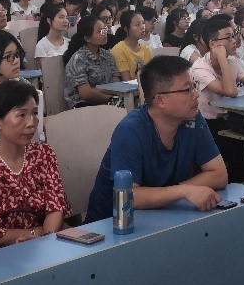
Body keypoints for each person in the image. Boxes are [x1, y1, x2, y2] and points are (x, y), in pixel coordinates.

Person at [85, 56, 227, 222]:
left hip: (164, 215)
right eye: (187, 90)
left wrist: (178, 192)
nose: (196, 94)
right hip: (114, 224)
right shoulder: (130, 131)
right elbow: (129, 196)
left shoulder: (193, 120)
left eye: (194, 86)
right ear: (160, 100)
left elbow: (219, 174)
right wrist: (184, 191)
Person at [0, 81, 70, 249]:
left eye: (34, 113)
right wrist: (36, 233)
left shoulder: (44, 154)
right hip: (3, 252)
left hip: (48, 243)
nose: (31, 122)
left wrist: (46, 238)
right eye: (21, 115)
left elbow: (56, 206)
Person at [63, 16, 121, 109]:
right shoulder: (78, 59)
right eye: (100, 31)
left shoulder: (107, 55)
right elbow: (86, 94)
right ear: (87, 38)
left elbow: (117, 84)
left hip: (108, 102)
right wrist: (110, 98)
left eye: (104, 29)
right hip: (83, 107)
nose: (104, 33)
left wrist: (96, 89)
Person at [111, 10, 152, 81]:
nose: (142, 27)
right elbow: (127, 80)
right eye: (137, 25)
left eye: (143, 23)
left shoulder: (146, 49)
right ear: (126, 29)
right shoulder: (119, 50)